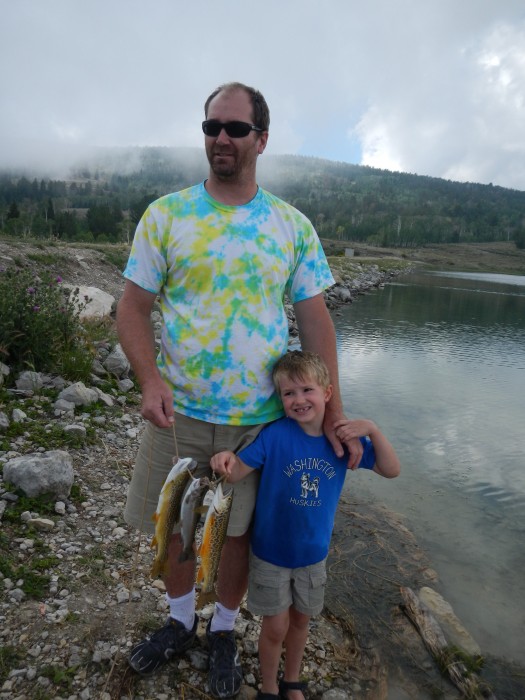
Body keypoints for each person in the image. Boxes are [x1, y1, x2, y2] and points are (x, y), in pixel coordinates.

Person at [116, 81, 363, 699]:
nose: (220, 139)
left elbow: (315, 322)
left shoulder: (291, 226)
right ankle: (179, 622)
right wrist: (149, 380)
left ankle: (223, 629)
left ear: (262, 139)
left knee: (234, 534)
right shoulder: (166, 215)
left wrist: (332, 413)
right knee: (173, 523)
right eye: (211, 128)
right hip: (179, 416)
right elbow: (131, 308)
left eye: (234, 128)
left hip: (260, 425)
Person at [210, 350, 400, 700]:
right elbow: (236, 471)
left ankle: (292, 681)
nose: (298, 400)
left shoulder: (343, 440)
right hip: (269, 554)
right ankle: (268, 686)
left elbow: (391, 469)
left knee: (300, 622)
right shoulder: (275, 435)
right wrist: (224, 459)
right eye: (288, 393)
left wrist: (372, 428)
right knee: (275, 625)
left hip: (314, 556)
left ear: (327, 393)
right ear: (279, 399)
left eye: (306, 390)